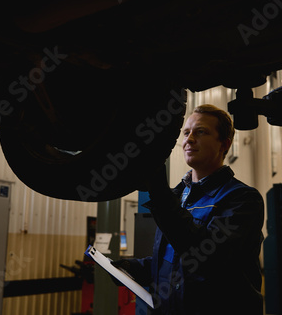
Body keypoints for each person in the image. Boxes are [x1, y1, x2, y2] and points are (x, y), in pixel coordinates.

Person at [114, 104, 265, 314]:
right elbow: (174, 261)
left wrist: (160, 193)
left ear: (224, 144)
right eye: (186, 132)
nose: (189, 139)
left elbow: (207, 257)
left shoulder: (243, 200)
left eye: (201, 132)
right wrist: (134, 268)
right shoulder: (178, 196)